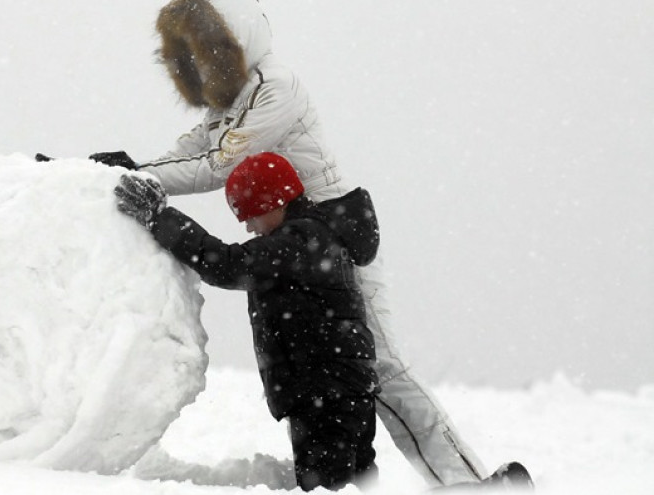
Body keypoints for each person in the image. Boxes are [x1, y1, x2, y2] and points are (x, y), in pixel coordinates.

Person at [87, 0, 532, 489]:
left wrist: (144, 188)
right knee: (348, 373)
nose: (197, 64)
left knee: (379, 367)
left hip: (327, 240)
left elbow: (215, 165)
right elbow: (190, 149)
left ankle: (465, 483)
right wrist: (125, 173)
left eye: (205, 51)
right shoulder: (231, 102)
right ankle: (385, 482)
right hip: (302, 242)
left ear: (233, 44)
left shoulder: (277, 89)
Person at [115, 152, 381, 491]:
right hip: (335, 387)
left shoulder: (301, 240)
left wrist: (159, 218)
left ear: (276, 201)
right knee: (357, 484)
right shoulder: (313, 236)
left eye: (251, 214)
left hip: (327, 391)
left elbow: (226, 264)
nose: (248, 226)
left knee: (330, 487)